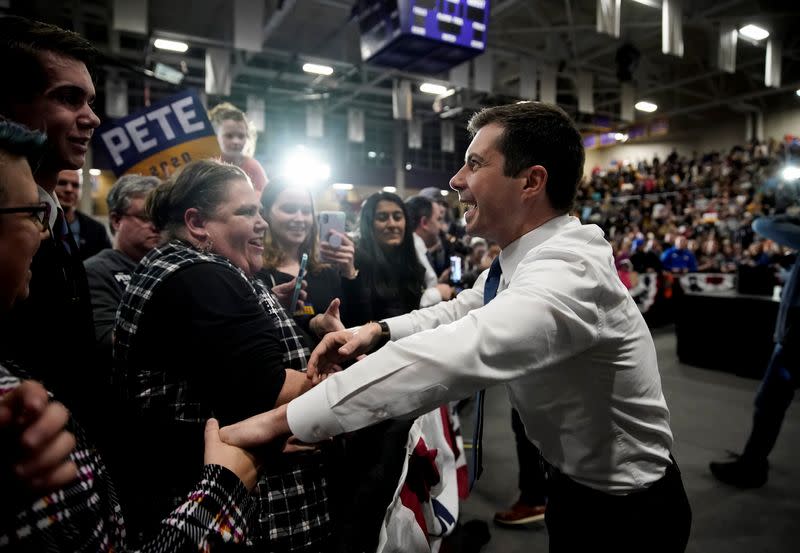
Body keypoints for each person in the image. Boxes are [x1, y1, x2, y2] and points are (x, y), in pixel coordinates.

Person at [220, 102, 692, 553]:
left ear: (531, 181)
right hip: (576, 487)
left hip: (627, 512)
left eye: (474, 164)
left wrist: (280, 421)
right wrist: (376, 331)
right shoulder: (522, 260)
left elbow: (454, 351)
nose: (455, 180)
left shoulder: (569, 271)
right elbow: (465, 308)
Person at [0, 119, 258, 552]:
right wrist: (222, 489)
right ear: (116, 219)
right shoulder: (104, 270)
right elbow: (106, 345)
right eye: (32, 213)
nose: (44, 230)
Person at [111, 159, 334, 550]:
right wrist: (355, 376)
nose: (262, 223)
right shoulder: (203, 277)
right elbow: (273, 389)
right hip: (237, 516)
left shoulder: (185, 266)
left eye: (259, 210)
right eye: (247, 212)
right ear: (197, 223)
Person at [0, 15, 103, 429]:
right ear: (9, 107)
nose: (91, 117)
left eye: (90, 101)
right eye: (68, 98)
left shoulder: (54, 221)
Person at [709, 214, 800, 488]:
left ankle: (752, 466)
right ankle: (754, 459)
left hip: (796, 339)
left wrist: (793, 215)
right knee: (771, 403)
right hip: (791, 335)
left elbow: (764, 224)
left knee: (769, 403)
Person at [257, 177, 357, 335]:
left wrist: (350, 274)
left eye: (306, 211)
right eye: (289, 209)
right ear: (266, 213)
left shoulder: (325, 269)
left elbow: (356, 325)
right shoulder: (256, 271)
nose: (299, 218)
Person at [84, 174, 161, 366]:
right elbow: (107, 342)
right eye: (145, 217)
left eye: (160, 218)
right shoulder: (95, 271)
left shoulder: (165, 270)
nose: (156, 226)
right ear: (116, 220)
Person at [344, 191, 427, 323]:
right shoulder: (356, 264)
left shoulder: (412, 265)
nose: (392, 224)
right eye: (382, 218)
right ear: (369, 224)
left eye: (398, 217)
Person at [208, 102, 268, 193]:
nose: (236, 141)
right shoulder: (208, 164)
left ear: (247, 137)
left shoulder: (252, 166)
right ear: (216, 137)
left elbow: (266, 198)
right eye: (229, 136)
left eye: (241, 136)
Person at [406, 195, 455, 306]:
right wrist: (438, 292)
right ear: (424, 223)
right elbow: (409, 302)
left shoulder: (418, 246)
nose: (441, 226)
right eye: (438, 219)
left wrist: (439, 283)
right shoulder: (410, 251)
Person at [54, 168, 111, 260]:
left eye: (75, 185)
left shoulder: (96, 230)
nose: (69, 189)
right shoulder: (40, 226)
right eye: (62, 183)